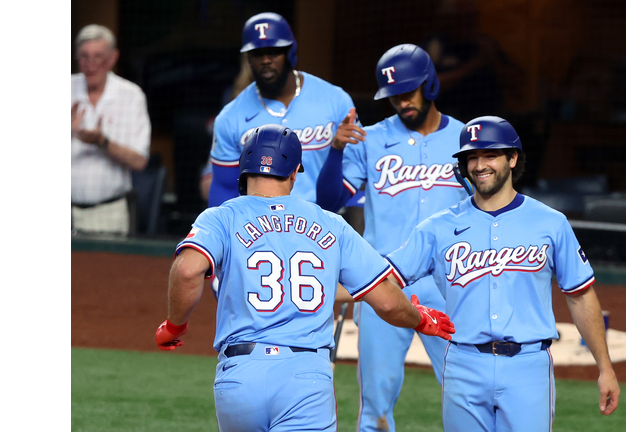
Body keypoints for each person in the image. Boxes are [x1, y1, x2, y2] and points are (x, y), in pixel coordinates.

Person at [154, 124, 454, 432]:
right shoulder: (330, 223)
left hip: (240, 374)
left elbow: (188, 270)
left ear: (244, 167)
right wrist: (419, 318)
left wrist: (174, 326)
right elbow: (387, 301)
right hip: (305, 377)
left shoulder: (220, 217)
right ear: (294, 172)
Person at [386, 115, 621, 431]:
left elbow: (579, 296)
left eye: (490, 155)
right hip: (463, 364)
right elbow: (383, 280)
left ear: (512, 159)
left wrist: (605, 367)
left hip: (528, 366)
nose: (479, 164)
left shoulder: (550, 223)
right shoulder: (437, 227)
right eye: (471, 157)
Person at [315, 43, 467, 432]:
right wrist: (334, 152)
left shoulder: (467, 140)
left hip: (451, 284)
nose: (402, 102)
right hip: (383, 282)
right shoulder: (371, 139)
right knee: (375, 407)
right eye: (394, 95)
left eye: (408, 91)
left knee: (468, 392)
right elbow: (329, 201)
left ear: (429, 84)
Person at [207, 12, 356, 207]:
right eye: (258, 54)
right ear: (249, 60)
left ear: (290, 53)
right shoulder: (230, 116)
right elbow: (224, 187)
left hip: (323, 222)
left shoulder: (336, 101)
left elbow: (355, 171)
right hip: (259, 227)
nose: (266, 60)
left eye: (274, 51)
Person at [71, 24, 151, 236]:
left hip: (108, 212)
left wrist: (102, 143)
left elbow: (139, 161)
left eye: (98, 57)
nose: (90, 64)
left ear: (112, 58)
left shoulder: (132, 96)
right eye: (84, 57)